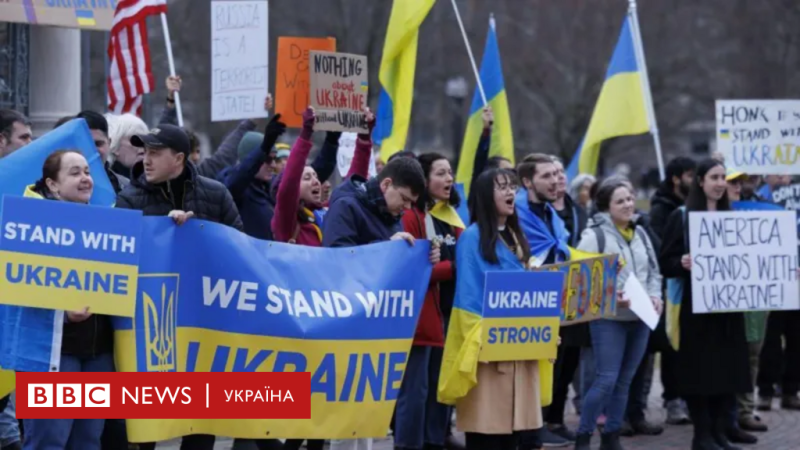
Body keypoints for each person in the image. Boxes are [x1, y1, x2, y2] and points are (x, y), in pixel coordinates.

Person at [116, 124, 242, 450]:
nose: (147, 159)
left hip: (203, 327)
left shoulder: (215, 194)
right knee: (145, 422)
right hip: (152, 327)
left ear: (180, 158)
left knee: (200, 418)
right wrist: (163, 233)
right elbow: (120, 258)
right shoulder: (128, 199)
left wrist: (195, 231)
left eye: (156, 153)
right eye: (144, 152)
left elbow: (241, 250)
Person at [323, 156, 438, 450]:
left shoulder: (389, 213)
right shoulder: (346, 206)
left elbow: (391, 265)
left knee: (365, 419)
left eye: (413, 203)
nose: (408, 208)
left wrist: (422, 258)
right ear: (386, 184)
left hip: (373, 330)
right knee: (344, 418)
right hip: (345, 327)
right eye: (405, 199)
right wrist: (387, 249)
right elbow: (337, 259)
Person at [21, 150, 115, 450]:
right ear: (53, 185)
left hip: (98, 351)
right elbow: (18, 289)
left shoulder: (108, 221)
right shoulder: (30, 227)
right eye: (75, 173)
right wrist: (61, 313)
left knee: (88, 443)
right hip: (52, 352)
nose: (86, 178)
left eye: (87, 171)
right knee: (49, 442)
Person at [441, 168, 541, 450]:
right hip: (487, 349)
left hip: (520, 345)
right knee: (488, 433)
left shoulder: (516, 234)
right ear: (486, 196)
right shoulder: (472, 238)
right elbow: (469, 295)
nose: (511, 192)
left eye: (513, 187)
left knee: (515, 434)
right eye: (502, 187)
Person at [659, 159, 751, 450]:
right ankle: (702, 435)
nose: (721, 183)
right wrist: (681, 262)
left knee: (727, 372)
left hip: (728, 308)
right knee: (701, 374)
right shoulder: (682, 216)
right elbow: (666, 262)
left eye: (723, 177)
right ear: (700, 181)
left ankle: (720, 432)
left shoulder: (734, 217)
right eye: (715, 177)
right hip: (696, 310)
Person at [573, 178, 663, 450]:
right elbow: (581, 283)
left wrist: (656, 296)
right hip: (609, 321)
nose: (628, 205)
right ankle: (584, 436)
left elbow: (653, 273)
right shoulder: (594, 237)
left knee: (625, 381)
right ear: (605, 207)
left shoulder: (641, 233)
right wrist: (613, 299)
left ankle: (611, 438)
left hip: (641, 319)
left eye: (630, 198)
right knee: (606, 380)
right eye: (620, 201)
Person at [395, 152, 464, 450]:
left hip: (447, 312)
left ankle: (437, 437)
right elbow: (414, 270)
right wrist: (454, 268)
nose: (449, 179)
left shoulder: (453, 217)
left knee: (439, 385)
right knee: (418, 390)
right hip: (423, 316)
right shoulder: (413, 216)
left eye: (450, 173)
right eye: (441, 173)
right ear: (423, 180)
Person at [646, 156, 696, 426]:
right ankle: (672, 399)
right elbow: (659, 247)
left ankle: (689, 395)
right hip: (671, 286)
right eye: (689, 175)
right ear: (676, 178)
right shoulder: (662, 209)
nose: (693, 180)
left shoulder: (696, 205)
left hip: (694, 288)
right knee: (671, 346)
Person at [75, 110, 129, 194]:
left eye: (98, 144)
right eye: (86, 144)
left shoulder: (125, 187)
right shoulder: (60, 189)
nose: (93, 150)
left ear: (109, 143)